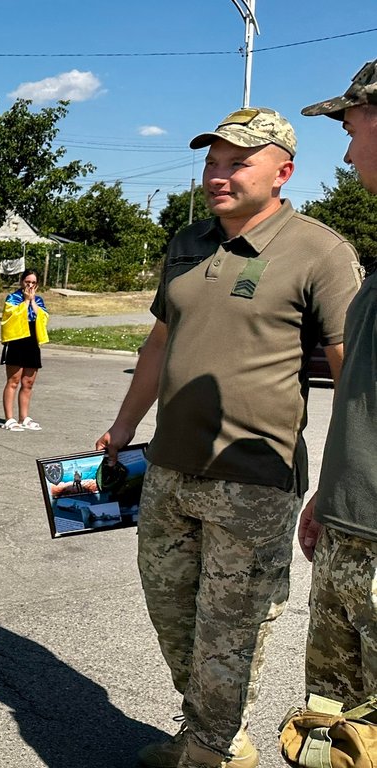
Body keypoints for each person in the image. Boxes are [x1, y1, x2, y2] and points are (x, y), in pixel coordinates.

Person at [95, 107, 362, 768]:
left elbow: (350, 371)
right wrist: (125, 425)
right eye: (212, 162)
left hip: (254, 480)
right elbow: (160, 342)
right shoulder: (187, 242)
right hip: (169, 467)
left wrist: (336, 482)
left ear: (283, 172)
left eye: (238, 162)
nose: (218, 175)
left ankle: (212, 752)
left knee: (231, 630)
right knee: (172, 612)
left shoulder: (319, 251)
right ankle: (216, 732)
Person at [296, 59, 377, 710]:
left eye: (352, 131)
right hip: (350, 529)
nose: (347, 155)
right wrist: (330, 493)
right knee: (331, 733)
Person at [0, 269, 49, 432]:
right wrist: (26, 301)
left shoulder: (39, 300)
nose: (30, 285)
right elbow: (11, 317)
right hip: (17, 340)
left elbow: (43, 317)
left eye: (33, 283)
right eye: (27, 282)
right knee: (13, 380)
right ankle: (9, 418)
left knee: (28, 382)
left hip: (32, 341)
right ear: (22, 282)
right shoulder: (12, 298)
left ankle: (24, 417)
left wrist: (33, 301)